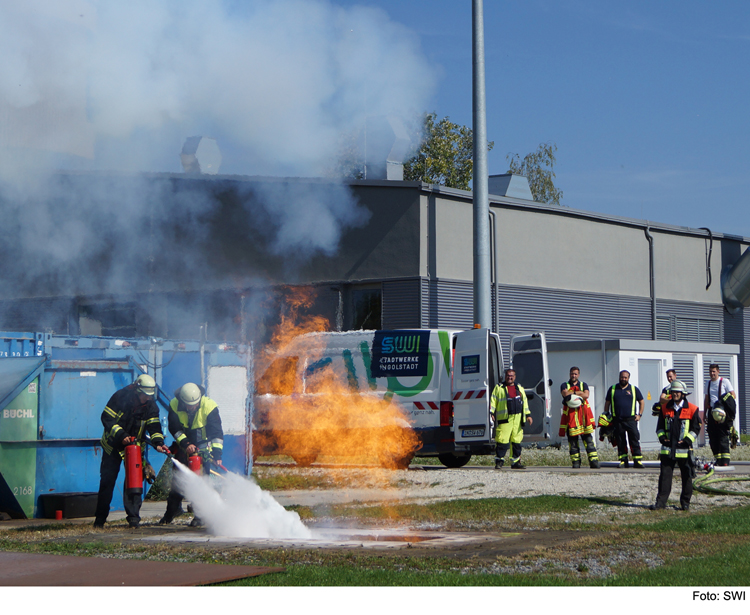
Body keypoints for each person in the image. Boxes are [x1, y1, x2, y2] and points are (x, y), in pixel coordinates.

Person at [94, 374, 169, 529]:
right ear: (137, 390)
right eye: (144, 395)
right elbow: (106, 418)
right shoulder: (120, 398)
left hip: (134, 449)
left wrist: (158, 443)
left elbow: (154, 427)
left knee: (134, 483)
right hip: (113, 446)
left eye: (149, 396)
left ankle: (134, 518)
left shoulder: (150, 406)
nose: (147, 399)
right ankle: (100, 520)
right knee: (107, 482)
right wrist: (122, 435)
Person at [159, 383, 224, 526]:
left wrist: (217, 454)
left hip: (202, 450)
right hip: (183, 449)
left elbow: (216, 433)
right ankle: (171, 513)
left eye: (194, 405)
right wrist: (186, 444)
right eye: (188, 405)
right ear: (182, 401)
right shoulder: (175, 405)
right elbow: (174, 428)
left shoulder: (209, 406)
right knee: (178, 482)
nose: (191, 408)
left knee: (202, 483)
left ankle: (200, 517)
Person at [650, 380, 701, 511]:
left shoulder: (693, 409)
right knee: (664, 478)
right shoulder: (664, 408)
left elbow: (696, 429)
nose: (675, 394)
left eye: (678, 392)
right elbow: (659, 428)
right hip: (668, 450)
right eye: (673, 392)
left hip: (684, 450)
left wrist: (686, 441)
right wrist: (663, 439)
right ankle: (660, 503)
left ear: (683, 394)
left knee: (687, 477)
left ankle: (685, 503)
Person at [491, 368, 532, 469]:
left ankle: (515, 462)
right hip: (505, 418)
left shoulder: (519, 388)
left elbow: (525, 402)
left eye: (512, 376)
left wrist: (528, 415)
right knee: (502, 441)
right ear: (505, 376)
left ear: (515, 377)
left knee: (516, 441)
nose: (510, 377)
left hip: (517, 419)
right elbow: (493, 400)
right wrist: (491, 412)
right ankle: (499, 461)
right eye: (508, 375)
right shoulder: (499, 387)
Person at [603, 370, 645, 468]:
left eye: (625, 377)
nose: (623, 379)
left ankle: (637, 460)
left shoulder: (634, 389)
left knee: (634, 440)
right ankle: (623, 460)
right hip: (617, 420)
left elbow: (641, 402)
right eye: (622, 377)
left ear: (628, 378)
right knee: (620, 441)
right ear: (619, 377)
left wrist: (639, 415)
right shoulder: (613, 389)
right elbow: (607, 403)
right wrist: (606, 415)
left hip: (631, 420)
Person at [559, 367, 599, 469]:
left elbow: (586, 395)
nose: (574, 376)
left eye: (576, 374)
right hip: (571, 419)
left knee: (589, 441)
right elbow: (565, 394)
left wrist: (572, 393)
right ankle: (576, 463)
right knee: (573, 443)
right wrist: (579, 393)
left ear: (579, 375)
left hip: (584, 419)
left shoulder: (583, 384)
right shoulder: (564, 385)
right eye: (572, 374)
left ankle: (594, 462)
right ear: (569, 374)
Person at [704, 364, 737, 466]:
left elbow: (733, 395)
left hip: (722, 413)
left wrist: (722, 401)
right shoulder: (708, 383)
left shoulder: (725, 382)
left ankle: (725, 461)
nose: (712, 373)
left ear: (718, 371)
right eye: (710, 371)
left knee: (722, 436)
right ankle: (717, 459)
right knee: (713, 436)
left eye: (714, 371)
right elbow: (707, 399)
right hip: (711, 412)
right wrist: (705, 413)